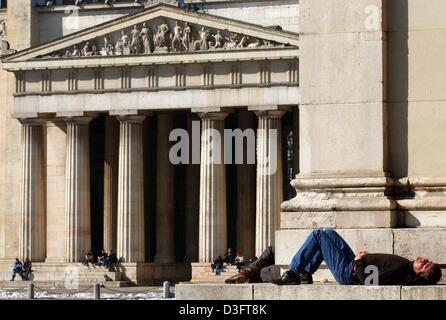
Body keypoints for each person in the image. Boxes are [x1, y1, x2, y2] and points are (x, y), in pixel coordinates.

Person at [226, 229, 442, 286]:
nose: (424, 259)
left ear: (421, 274)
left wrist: (358, 261)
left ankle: (294, 272)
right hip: (351, 265)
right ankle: (303, 273)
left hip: (348, 272)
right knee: (327, 233)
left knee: (319, 235)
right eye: (428, 260)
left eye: (426, 265)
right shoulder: (404, 267)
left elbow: (368, 281)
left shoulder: (401, 270)